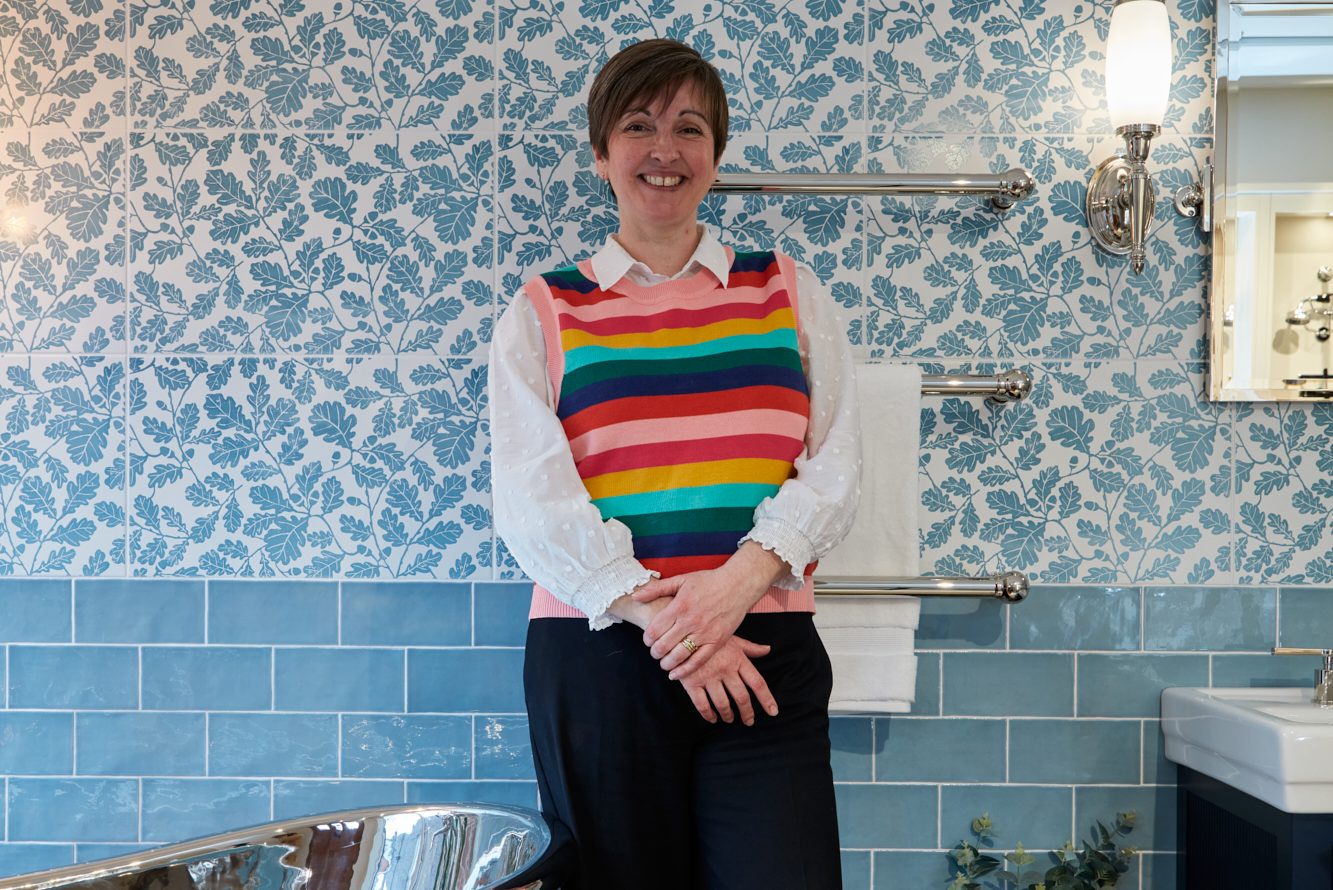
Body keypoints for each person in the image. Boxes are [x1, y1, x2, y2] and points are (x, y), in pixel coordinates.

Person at [488, 37, 861, 890]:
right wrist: (676, 626)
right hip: (602, 651)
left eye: (690, 127)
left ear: (716, 153)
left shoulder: (786, 288)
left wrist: (734, 588)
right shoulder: (543, 307)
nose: (666, 150)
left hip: (762, 649)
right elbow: (531, 500)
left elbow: (835, 460)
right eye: (638, 126)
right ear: (600, 154)